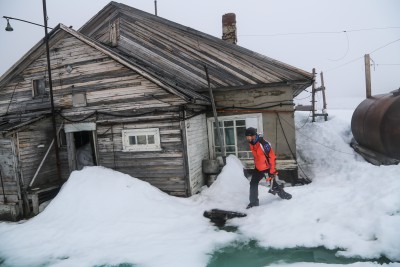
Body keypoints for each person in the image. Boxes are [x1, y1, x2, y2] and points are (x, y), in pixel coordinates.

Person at [245, 127, 291, 209]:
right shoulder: (251, 143)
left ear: (253, 136)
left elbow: (272, 157)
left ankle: (284, 196)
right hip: (258, 168)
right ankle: (253, 203)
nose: (247, 138)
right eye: (247, 137)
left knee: (273, 185)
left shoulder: (264, 144)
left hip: (267, 168)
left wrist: (272, 170)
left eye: (249, 136)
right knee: (253, 183)